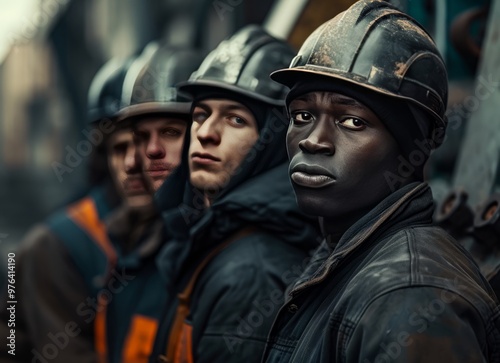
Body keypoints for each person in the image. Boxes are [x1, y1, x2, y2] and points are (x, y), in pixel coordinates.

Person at [261, 1, 500, 362]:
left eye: (352, 121)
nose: (312, 140)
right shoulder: (341, 257)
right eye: (303, 115)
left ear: (410, 149)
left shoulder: (410, 295)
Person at [149, 25, 321, 363]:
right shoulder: (214, 238)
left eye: (236, 120)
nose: (207, 133)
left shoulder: (251, 272)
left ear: (271, 143)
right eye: (201, 114)